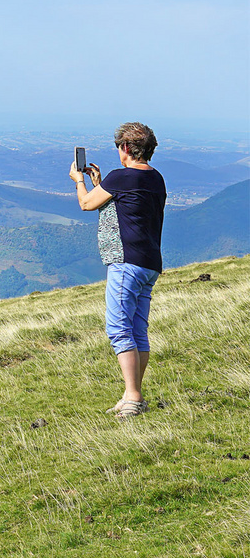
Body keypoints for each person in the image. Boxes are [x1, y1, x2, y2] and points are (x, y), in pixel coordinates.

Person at [70, 122, 166, 417]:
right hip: (149, 263)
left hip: (126, 262)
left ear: (125, 148)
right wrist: (101, 182)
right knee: (138, 330)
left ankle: (133, 398)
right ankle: (131, 394)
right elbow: (124, 205)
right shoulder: (156, 178)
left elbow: (86, 203)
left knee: (119, 329)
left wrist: (79, 180)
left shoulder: (121, 177)